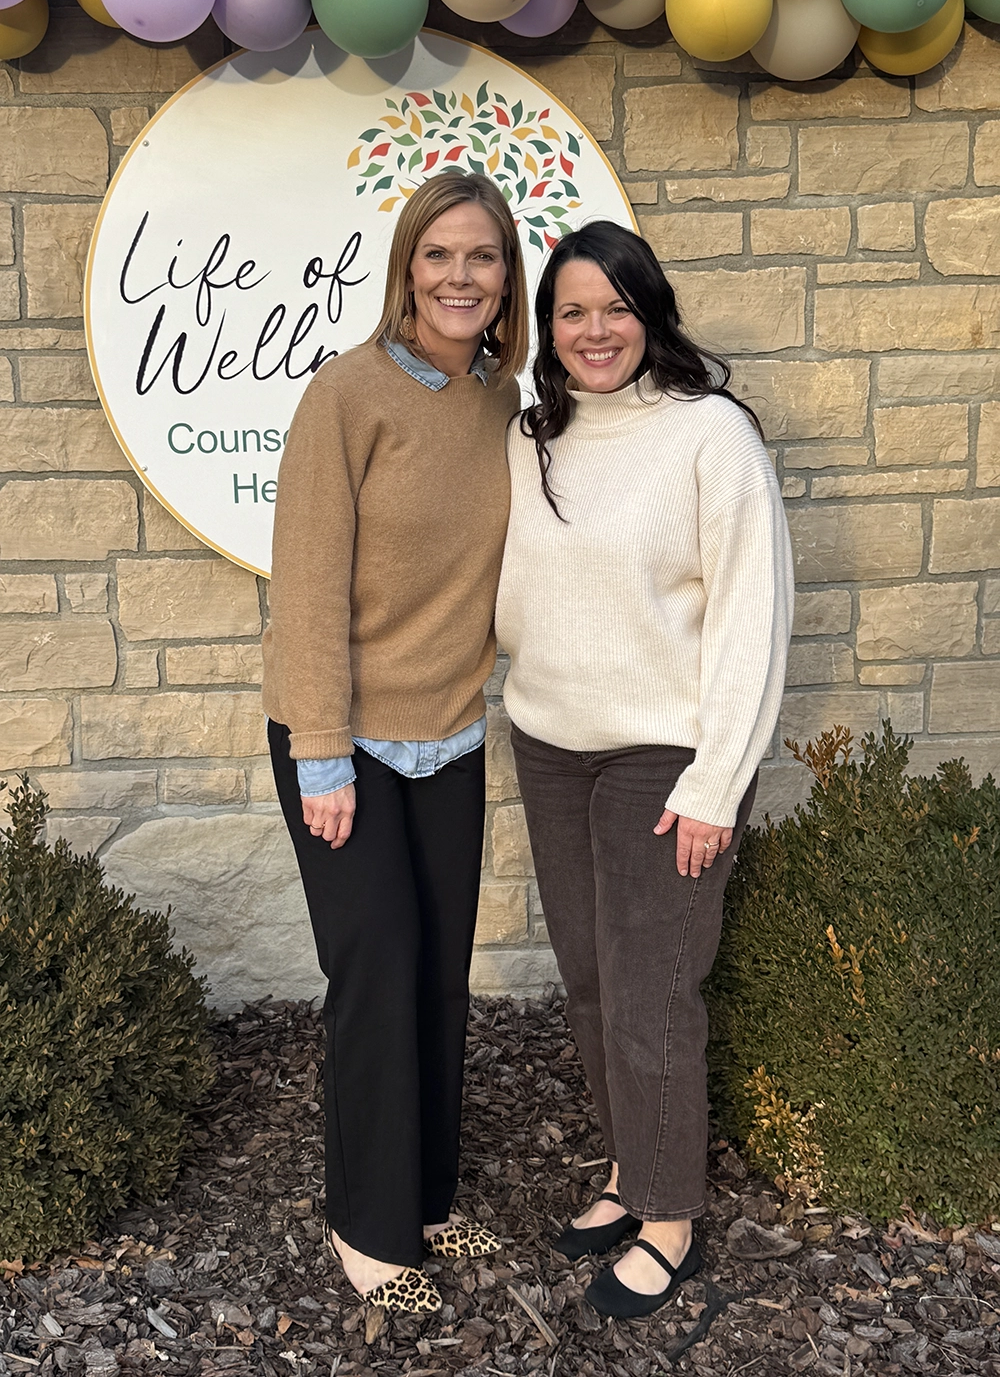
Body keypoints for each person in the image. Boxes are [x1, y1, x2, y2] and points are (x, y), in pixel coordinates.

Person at [496, 221, 794, 1320]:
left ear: (648, 311)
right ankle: (629, 1172)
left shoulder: (708, 436)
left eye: (614, 307)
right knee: (588, 978)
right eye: (571, 312)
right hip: (549, 741)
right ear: (548, 329)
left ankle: (668, 1220)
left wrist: (715, 783)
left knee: (652, 990)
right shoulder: (535, 436)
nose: (593, 331)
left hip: (663, 754)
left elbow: (752, 620)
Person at [262, 172, 528, 1313]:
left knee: (437, 975)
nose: (460, 277)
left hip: (451, 741)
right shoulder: (349, 395)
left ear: (505, 276)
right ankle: (367, 1229)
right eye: (439, 256)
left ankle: (423, 1194)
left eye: (482, 258)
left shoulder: (499, 402)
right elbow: (307, 585)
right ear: (406, 270)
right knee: (374, 973)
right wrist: (321, 749)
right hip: (345, 743)